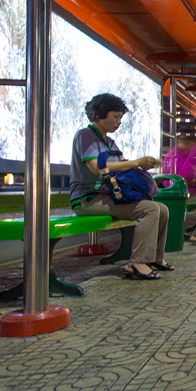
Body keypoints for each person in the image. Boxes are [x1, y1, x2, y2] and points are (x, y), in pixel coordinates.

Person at [70, 93, 172, 280]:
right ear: (100, 114)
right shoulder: (85, 136)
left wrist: (144, 164)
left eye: (120, 118)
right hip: (88, 198)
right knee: (149, 209)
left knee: (162, 209)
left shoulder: (110, 143)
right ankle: (137, 263)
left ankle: (154, 258)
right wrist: (135, 163)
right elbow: (96, 168)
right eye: (115, 117)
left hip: (110, 195)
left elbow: (122, 167)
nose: (118, 122)